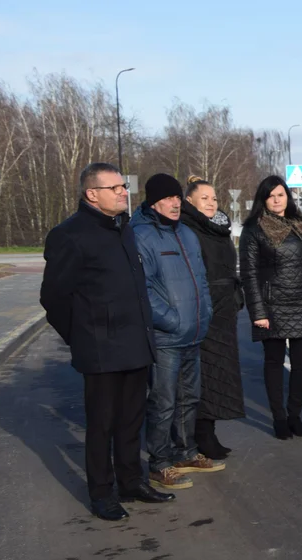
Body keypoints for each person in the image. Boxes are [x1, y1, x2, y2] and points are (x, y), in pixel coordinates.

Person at [40, 163, 174, 521]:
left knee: (131, 421)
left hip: (135, 342)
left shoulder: (123, 228)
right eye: (114, 188)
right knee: (101, 426)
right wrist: (82, 335)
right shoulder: (70, 235)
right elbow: (54, 298)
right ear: (92, 194)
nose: (123, 192)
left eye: (123, 186)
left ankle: (132, 482)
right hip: (100, 349)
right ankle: (102, 494)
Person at [129, 173, 218, 492]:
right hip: (166, 336)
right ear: (154, 202)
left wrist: (204, 313)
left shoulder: (187, 234)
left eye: (178, 197)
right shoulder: (141, 236)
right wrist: (171, 320)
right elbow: (143, 290)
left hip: (193, 332)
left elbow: (201, 279)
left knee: (189, 398)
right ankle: (159, 462)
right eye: (169, 198)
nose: (176, 203)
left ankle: (185, 452)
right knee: (163, 401)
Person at [239, 175, 302, 440]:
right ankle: (279, 418)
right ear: (264, 200)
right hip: (272, 305)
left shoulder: (300, 224)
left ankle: (295, 416)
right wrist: (258, 312)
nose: (277, 200)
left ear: (288, 197)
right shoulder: (253, 229)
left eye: (281, 194)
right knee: (274, 363)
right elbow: (249, 273)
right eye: (272, 196)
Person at [180, 176, 245, 459]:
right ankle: (198, 436)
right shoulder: (186, 228)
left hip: (224, 310)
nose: (211, 202)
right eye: (204, 197)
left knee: (220, 372)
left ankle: (210, 432)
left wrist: (235, 295)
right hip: (201, 308)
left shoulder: (219, 228)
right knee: (202, 373)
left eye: (214, 198)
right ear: (189, 201)